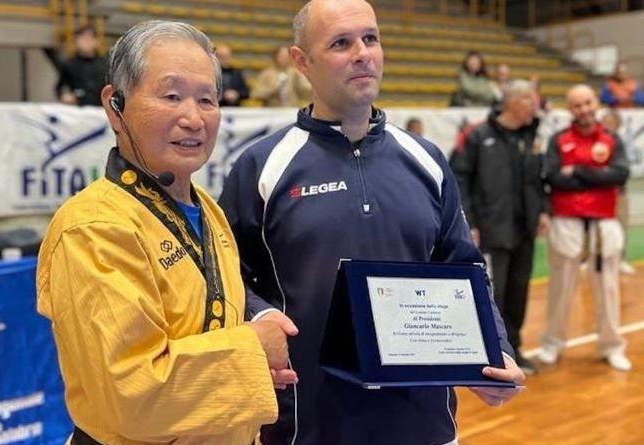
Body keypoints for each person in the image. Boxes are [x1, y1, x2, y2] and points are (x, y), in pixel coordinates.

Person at [219, 1, 524, 444]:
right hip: (309, 426)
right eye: (341, 43)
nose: (362, 53)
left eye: (371, 38)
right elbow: (226, 276)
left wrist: (494, 350)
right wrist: (261, 316)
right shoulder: (261, 167)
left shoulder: (426, 160)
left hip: (425, 426)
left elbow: (464, 268)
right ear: (301, 61)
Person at [37, 20, 297, 445]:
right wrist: (253, 351)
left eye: (207, 100)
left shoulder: (207, 210)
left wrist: (256, 337)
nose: (193, 118)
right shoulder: (94, 227)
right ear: (114, 105)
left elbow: (207, 327)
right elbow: (131, 393)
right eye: (171, 96)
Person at [452, 80, 550, 376]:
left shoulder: (531, 135)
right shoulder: (479, 135)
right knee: (494, 293)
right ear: (511, 101)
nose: (535, 105)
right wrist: (470, 221)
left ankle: (515, 349)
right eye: (528, 99)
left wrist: (543, 211)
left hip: (524, 228)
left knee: (519, 291)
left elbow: (537, 179)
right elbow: (459, 179)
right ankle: (493, 353)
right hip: (493, 230)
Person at [537, 84, 632, 372]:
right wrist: (597, 176)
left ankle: (612, 345)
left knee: (608, 289)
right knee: (560, 288)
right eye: (577, 105)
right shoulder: (559, 140)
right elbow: (553, 177)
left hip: (604, 222)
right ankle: (552, 342)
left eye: (588, 102)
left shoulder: (612, 139)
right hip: (567, 220)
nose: (584, 109)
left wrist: (577, 170)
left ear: (596, 103)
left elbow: (619, 173)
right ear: (570, 109)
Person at [601, 108, 636, 275]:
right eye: (605, 122)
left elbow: (623, 170)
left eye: (611, 122)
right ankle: (590, 258)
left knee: (620, 225)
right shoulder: (596, 141)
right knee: (594, 227)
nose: (607, 125)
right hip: (598, 192)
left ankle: (621, 259)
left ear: (618, 124)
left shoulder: (622, 143)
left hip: (618, 192)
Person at [55, 24, 108, 106]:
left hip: (101, 111)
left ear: (96, 41)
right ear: (77, 41)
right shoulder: (69, 64)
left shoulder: (106, 64)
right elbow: (60, 87)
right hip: (78, 112)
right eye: (82, 38)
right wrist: (64, 95)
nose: (86, 42)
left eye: (89, 38)